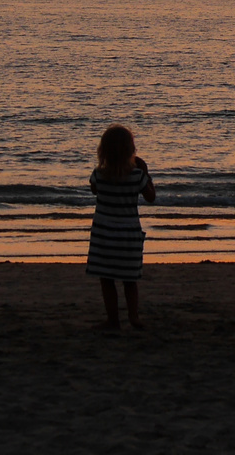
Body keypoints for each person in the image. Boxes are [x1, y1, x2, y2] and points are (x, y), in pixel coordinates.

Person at [87, 126, 156, 329]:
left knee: (106, 279)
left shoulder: (99, 175)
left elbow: (94, 190)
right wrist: (146, 173)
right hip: (128, 235)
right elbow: (151, 197)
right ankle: (133, 316)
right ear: (130, 150)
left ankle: (113, 318)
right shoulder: (136, 176)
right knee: (130, 279)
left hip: (104, 234)